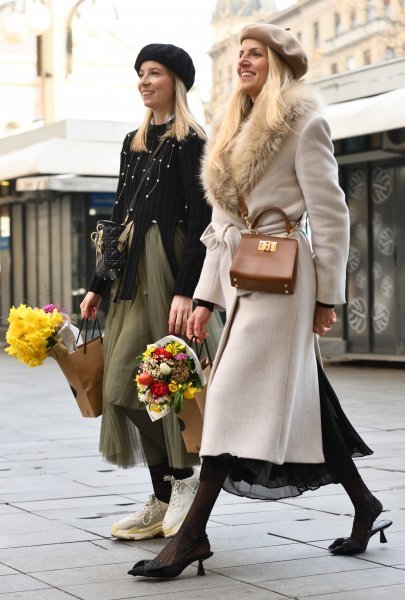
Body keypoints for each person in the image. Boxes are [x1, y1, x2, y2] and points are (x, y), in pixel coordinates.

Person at [128, 24, 393, 579]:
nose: (244, 62)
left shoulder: (304, 123)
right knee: (309, 403)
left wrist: (327, 297)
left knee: (225, 398)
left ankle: (192, 535)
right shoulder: (234, 124)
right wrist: (203, 298)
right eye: (241, 54)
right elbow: (221, 223)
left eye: (255, 55)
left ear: (280, 64)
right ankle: (365, 504)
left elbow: (331, 213)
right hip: (240, 275)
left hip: (285, 279)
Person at [80, 43, 222, 542]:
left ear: (176, 82)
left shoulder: (194, 142)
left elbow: (201, 223)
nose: (143, 81)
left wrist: (187, 292)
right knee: (123, 390)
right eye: (140, 73)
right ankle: (164, 493)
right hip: (128, 276)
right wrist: (98, 283)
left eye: (154, 73)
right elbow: (118, 215)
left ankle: (183, 482)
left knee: (161, 382)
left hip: (168, 275)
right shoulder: (133, 141)